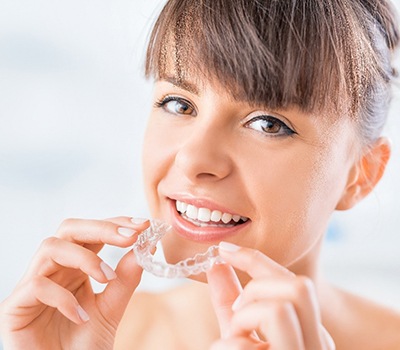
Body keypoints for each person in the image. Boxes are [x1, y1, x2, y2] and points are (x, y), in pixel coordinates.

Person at [1, 0, 400, 349]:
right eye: (179, 104)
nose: (193, 159)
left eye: (268, 124)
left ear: (359, 175)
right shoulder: (81, 334)